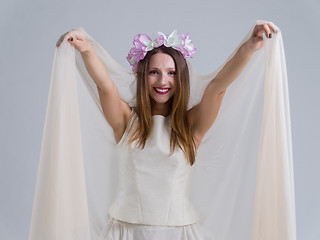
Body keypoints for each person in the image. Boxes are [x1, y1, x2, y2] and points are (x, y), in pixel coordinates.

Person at [29, 21, 296, 240]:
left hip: (180, 233)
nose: (163, 81)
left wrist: (249, 47)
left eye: (171, 73)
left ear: (181, 78)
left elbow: (217, 87)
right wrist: (86, 49)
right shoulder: (126, 122)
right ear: (142, 76)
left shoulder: (191, 127)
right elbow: (105, 87)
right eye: (154, 72)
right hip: (125, 233)